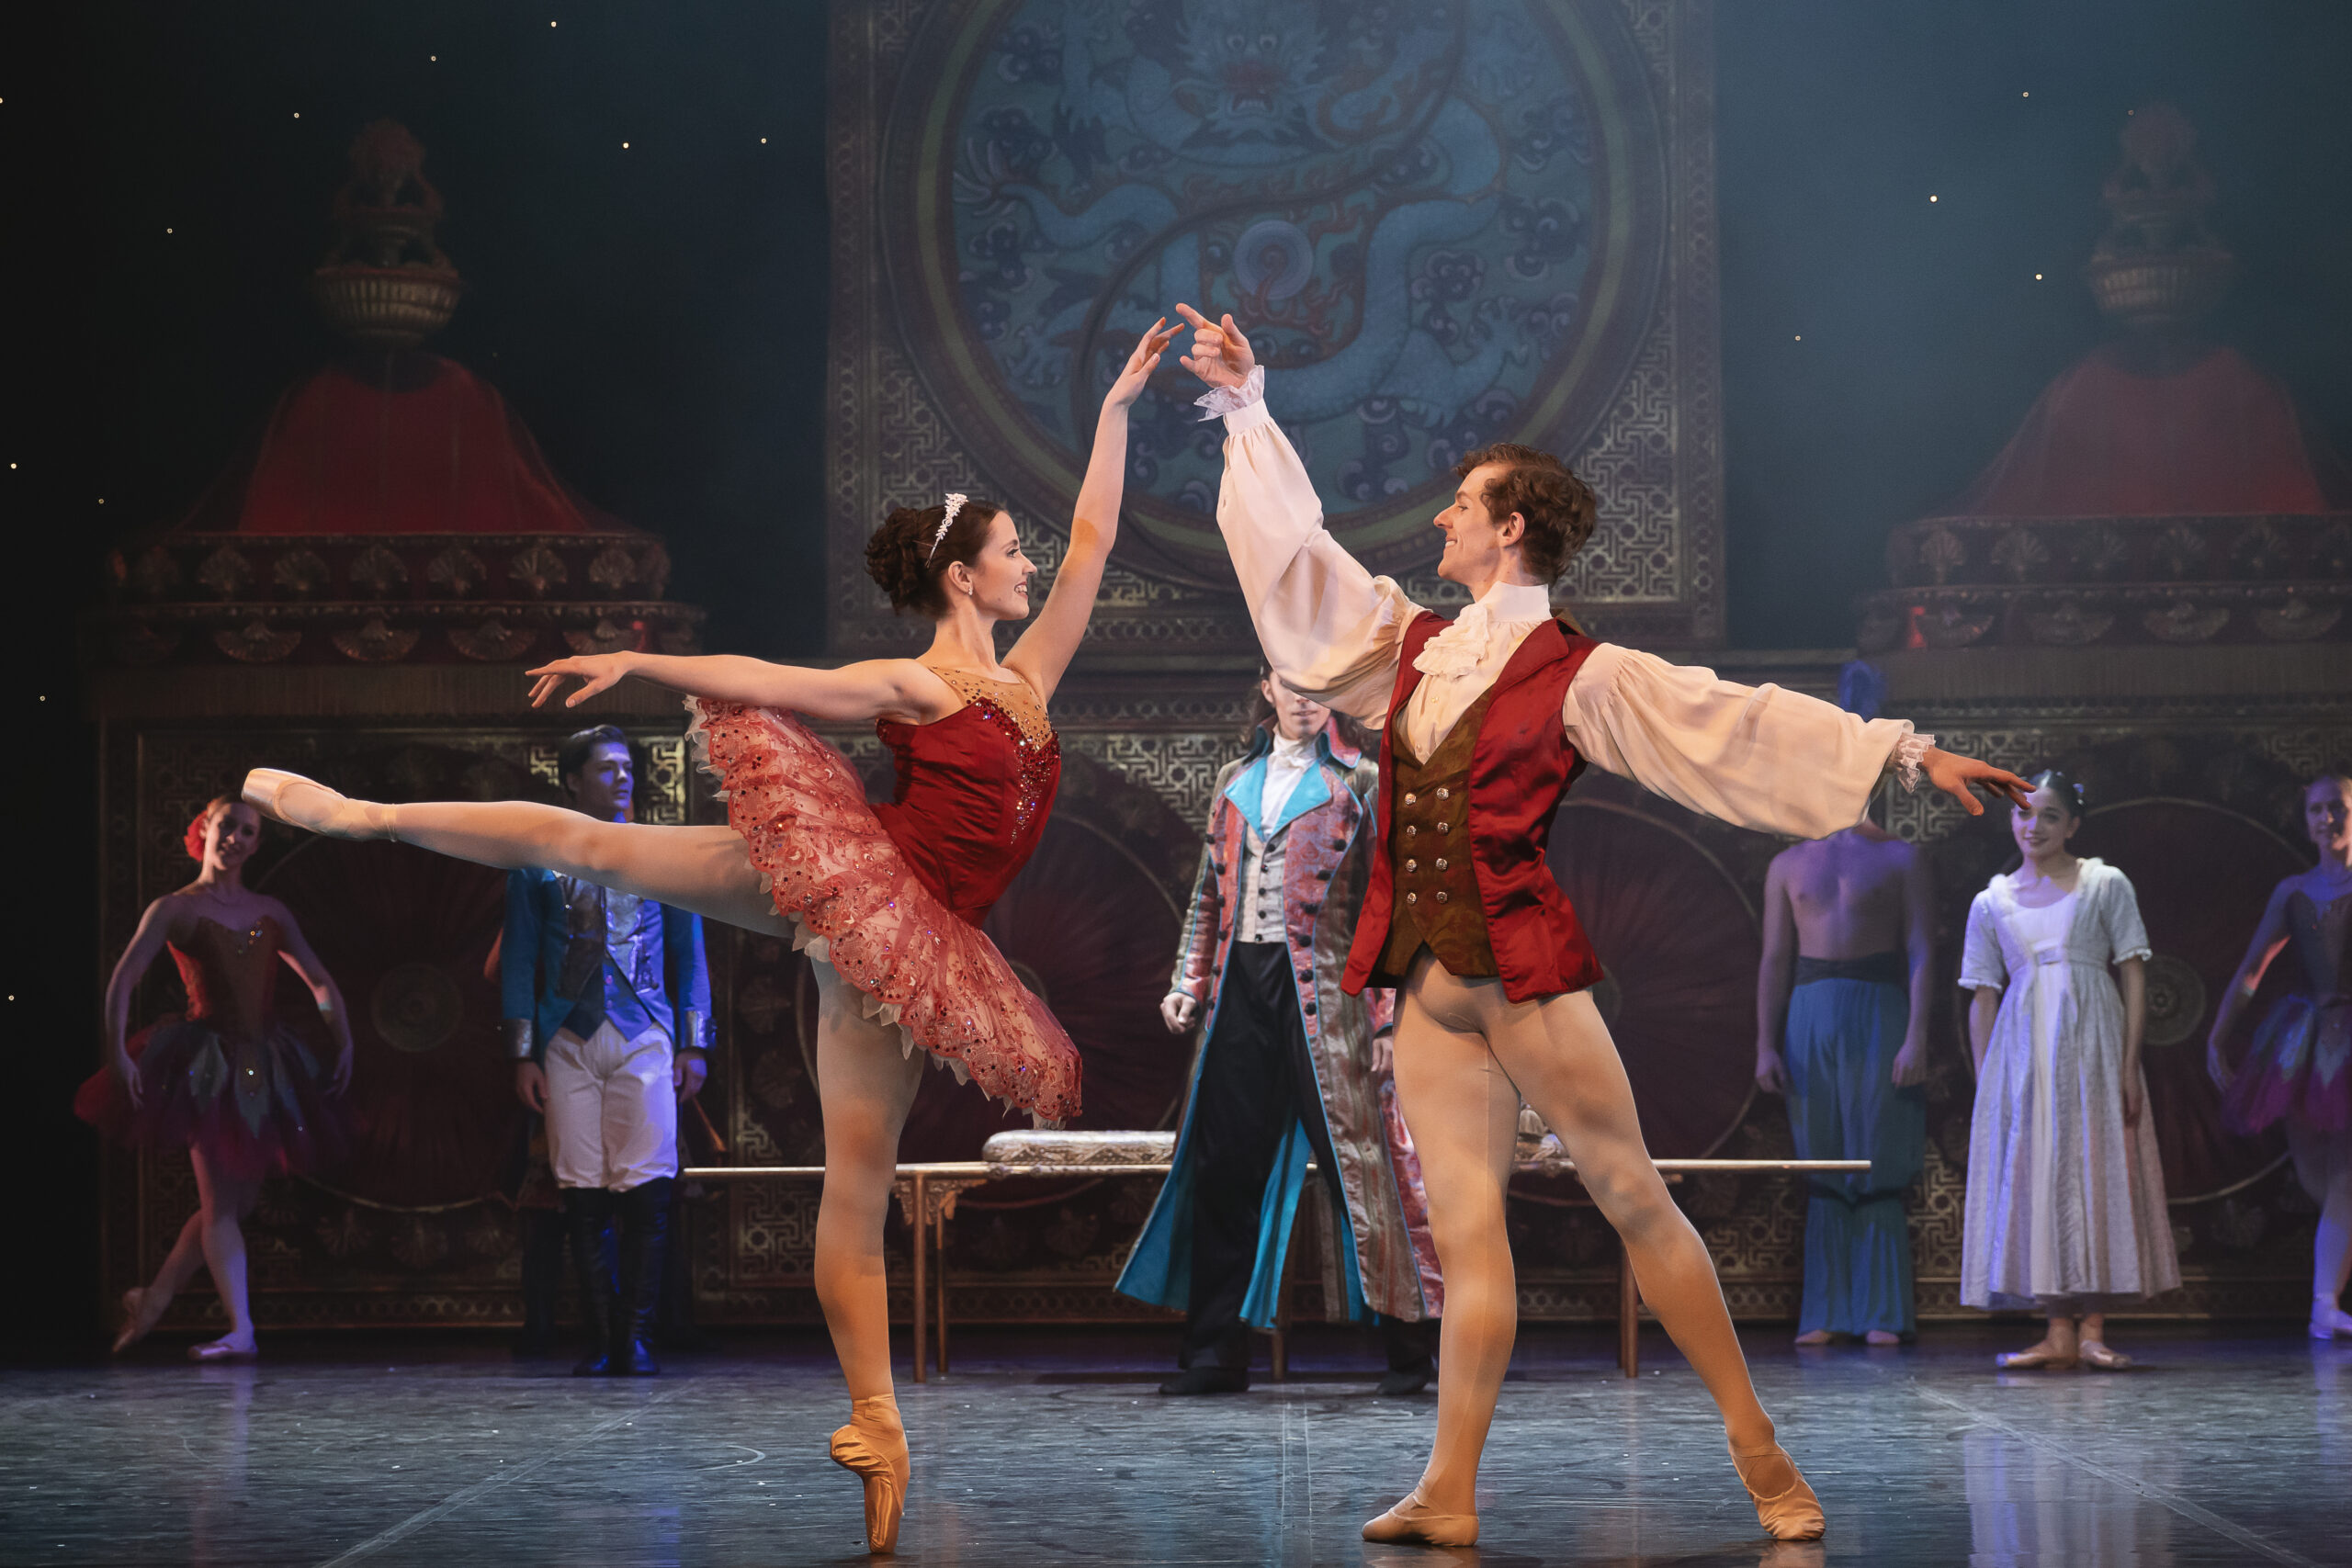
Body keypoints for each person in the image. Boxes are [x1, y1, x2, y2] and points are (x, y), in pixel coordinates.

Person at [241, 318, 1176, 1554]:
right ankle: (365, 814)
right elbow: (770, 676)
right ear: (962, 576)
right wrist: (638, 655)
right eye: (1009, 550)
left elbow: (1098, 538)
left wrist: (1116, 405)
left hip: (928, 946)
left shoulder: (1033, 676)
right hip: (861, 884)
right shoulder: (916, 684)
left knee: (861, 1189)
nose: (1028, 563)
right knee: (590, 842)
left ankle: (879, 1425)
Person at [1171, 302, 2029, 1545]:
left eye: (1464, 503)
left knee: (1634, 1195)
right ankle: (1450, 1488)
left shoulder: (1584, 671)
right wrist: (1250, 408)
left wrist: (1902, 750)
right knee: (1468, 1247)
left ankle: (1760, 1447)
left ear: (1510, 527)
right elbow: (1296, 574)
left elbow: (1728, 723)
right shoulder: (1410, 647)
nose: (1443, 519)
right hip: (1423, 985)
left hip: (1523, 968)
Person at [1118, 670, 1442, 1395]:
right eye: (1288, 683)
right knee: (1224, 1167)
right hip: (1241, 990)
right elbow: (1209, 892)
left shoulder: (1358, 782)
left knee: (1362, 1167)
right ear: (1265, 686)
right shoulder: (1236, 778)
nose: (1302, 698)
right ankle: (1214, 1353)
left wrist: (1386, 1017)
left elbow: (1386, 907)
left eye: (1316, 686)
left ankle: (1410, 1355)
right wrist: (1187, 983)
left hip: (1327, 999)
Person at [78, 796, 356, 1361]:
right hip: (204, 1065)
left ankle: (152, 1299)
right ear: (204, 828)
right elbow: (123, 982)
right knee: (221, 1205)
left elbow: (320, 980)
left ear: (256, 844)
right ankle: (242, 1330)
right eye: (226, 825)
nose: (234, 837)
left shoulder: (271, 910)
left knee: (231, 1205)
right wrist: (118, 1056)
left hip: (265, 1067)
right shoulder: (173, 909)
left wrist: (345, 1037)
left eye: (247, 832)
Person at [501, 724, 712, 1377]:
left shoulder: (661, 853)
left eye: (626, 766)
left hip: (645, 1031)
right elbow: (521, 957)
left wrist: (693, 1042)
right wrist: (523, 1053)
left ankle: (634, 1338)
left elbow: (688, 952)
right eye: (605, 767)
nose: (622, 776)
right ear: (572, 779)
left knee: (646, 1187)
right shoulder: (537, 859)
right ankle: (602, 1337)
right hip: (567, 1036)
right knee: (583, 1189)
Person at [1959, 769, 2178, 1369]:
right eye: (2025, 813)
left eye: (2050, 815)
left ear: (2073, 824)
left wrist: (2130, 1065)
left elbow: (2133, 970)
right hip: (2023, 1055)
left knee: (2097, 1166)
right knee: (2039, 1175)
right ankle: (2056, 1326)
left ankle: (2093, 1327)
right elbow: (1982, 994)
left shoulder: (2104, 883)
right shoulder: (1992, 901)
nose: (2035, 826)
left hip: (2094, 1045)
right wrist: (1988, 1087)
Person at [1754, 665, 1933, 1347]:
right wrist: (1765, 1043)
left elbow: (1921, 951)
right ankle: (1825, 1309)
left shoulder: (1901, 860)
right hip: (1809, 1010)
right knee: (1822, 1155)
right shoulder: (1790, 864)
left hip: (1879, 1007)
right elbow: (1773, 959)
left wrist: (1917, 1034)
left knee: (1879, 1150)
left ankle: (1883, 1309)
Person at [2210, 769, 2352, 1340]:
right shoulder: (2292, 892)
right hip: (2307, 1041)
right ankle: (2326, 1301)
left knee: (2345, 1179)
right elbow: (2251, 969)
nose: (2327, 819)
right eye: (2317, 810)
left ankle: (2324, 1304)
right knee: (2324, 1180)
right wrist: (2219, 1035)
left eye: (2338, 808)